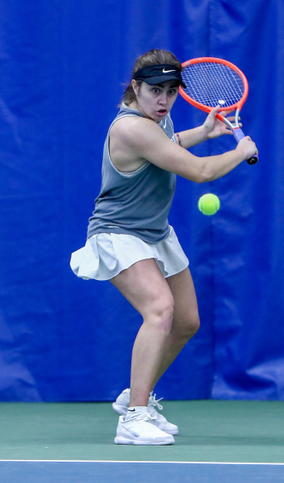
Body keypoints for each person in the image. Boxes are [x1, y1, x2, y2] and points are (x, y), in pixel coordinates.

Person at [70, 49, 258, 446]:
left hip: (153, 232)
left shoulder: (156, 120)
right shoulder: (130, 128)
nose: (164, 100)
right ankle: (133, 418)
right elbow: (200, 171)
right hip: (118, 232)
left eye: (172, 92)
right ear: (134, 87)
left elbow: (168, 143)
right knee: (160, 309)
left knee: (187, 320)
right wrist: (239, 152)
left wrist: (205, 132)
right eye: (156, 90)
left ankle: (135, 395)